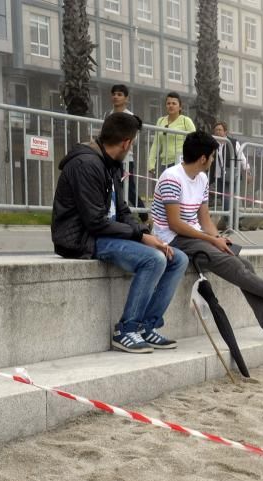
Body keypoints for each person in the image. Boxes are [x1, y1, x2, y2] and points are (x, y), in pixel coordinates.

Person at [152, 130, 263, 341]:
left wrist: (218, 238)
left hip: (196, 237)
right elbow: (175, 224)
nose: (213, 161)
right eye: (212, 156)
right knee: (237, 267)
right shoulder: (172, 178)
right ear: (203, 158)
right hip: (173, 240)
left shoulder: (201, 178)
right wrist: (211, 240)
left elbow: (204, 220)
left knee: (244, 265)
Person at [52, 112, 188, 353]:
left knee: (177, 258)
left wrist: (147, 233)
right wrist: (141, 237)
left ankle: (147, 325)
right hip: (82, 238)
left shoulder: (109, 164)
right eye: (133, 142)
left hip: (107, 234)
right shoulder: (86, 165)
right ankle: (126, 329)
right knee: (153, 258)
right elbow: (94, 221)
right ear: (127, 142)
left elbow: (123, 211)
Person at [105, 84, 142, 215]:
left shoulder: (131, 117)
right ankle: (115, 214)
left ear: (126, 98)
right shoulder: (108, 115)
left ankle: (145, 216)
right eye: (114, 94)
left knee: (129, 188)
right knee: (112, 186)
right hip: (109, 157)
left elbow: (134, 139)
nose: (116, 97)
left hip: (125, 159)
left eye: (120, 94)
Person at [209, 121, 250, 228]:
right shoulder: (212, 144)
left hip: (230, 177)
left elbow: (242, 159)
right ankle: (237, 221)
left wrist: (247, 172)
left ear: (225, 132)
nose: (217, 132)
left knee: (227, 200)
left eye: (220, 130)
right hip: (217, 177)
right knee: (225, 200)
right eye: (216, 130)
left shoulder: (232, 142)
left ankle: (231, 223)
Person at [147, 92, 196, 175]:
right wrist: (151, 164)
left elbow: (195, 142)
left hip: (180, 163)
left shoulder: (186, 121)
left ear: (180, 107)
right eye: (168, 103)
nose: (171, 105)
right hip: (164, 163)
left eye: (174, 103)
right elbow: (156, 144)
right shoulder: (161, 121)